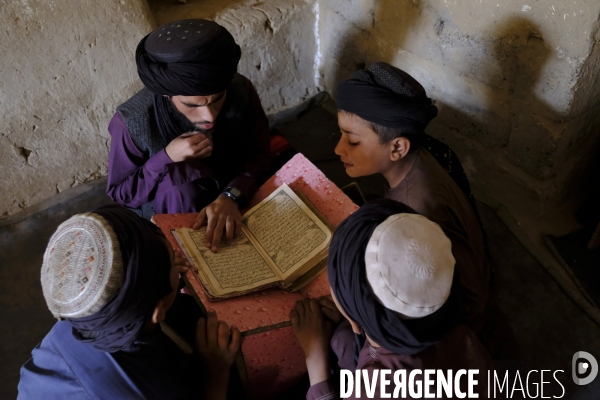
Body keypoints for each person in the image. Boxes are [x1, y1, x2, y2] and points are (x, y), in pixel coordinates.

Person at [18, 205, 241, 400]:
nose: (176, 258)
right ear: (157, 312)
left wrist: (161, 274)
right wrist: (216, 375)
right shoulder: (157, 392)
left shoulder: (80, 315)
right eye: (172, 259)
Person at [333, 62, 491, 327]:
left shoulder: (416, 212)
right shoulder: (426, 149)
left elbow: (465, 298)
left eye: (353, 141)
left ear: (397, 148)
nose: (338, 149)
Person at [290, 200, 494, 399]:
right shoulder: (446, 320)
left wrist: (315, 358)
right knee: (341, 340)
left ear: (356, 320)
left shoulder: (376, 389)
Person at [106, 19, 271, 252]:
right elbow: (122, 193)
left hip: (231, 193)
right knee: (179, 181)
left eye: (217, 100)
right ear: (166, 95)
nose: (209, 115)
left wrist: (230, 196)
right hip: (171, 208)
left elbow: (260, 156)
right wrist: (165, 157)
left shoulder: (239, 90)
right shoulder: (132, 120)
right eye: (191, 105)